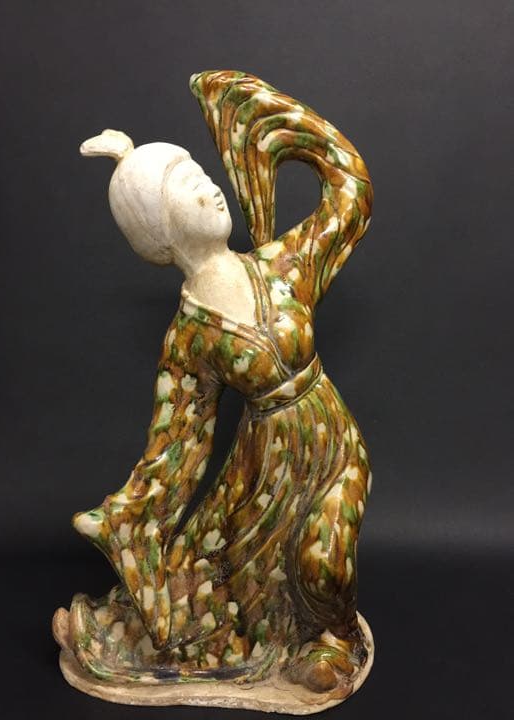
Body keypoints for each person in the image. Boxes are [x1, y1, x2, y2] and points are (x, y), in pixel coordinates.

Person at [65, 70, 373, 696]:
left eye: (202, 173)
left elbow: (351, 193)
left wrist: (269, 115)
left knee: (325, 563)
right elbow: (177, 445)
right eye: (186, 187)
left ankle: (337, 637)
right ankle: (293, 639)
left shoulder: (282, 268)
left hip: (331, 446)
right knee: (229, 587)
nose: (209, 186)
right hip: (265, 478)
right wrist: (127, 516)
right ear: (160, 231)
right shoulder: (192, 336)